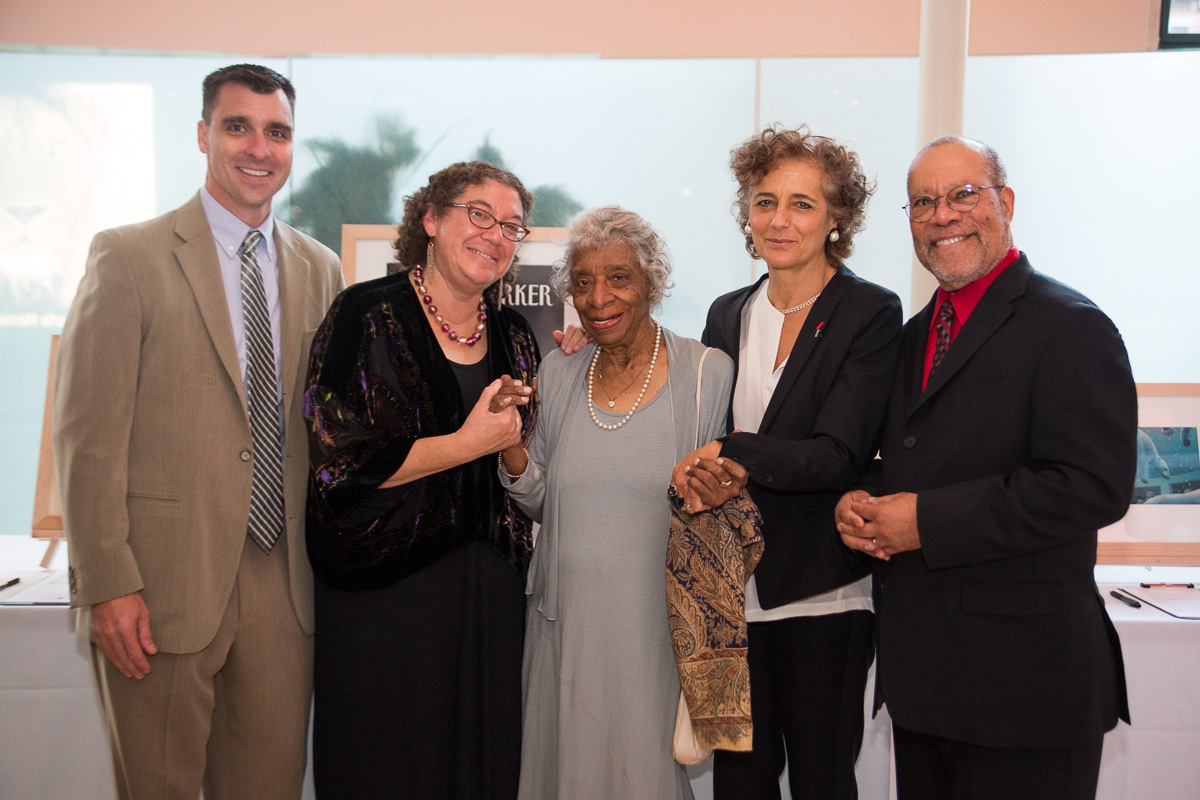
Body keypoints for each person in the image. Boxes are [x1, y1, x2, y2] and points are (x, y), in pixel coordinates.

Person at [53, 64, 343, 800]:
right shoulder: (128, 257)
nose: (259, 147)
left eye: (277, 131)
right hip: (158, 587)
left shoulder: (322, 269)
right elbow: (86, 437)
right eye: (237, 126)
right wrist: (107, 584)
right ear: (203, 135)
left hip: (284, 589)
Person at [835, 135, 1136, 800]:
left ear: (1006, 202)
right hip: (925, 689)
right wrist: (864, 500)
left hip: (1026, 693)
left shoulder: (1071, 326)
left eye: (963, 194)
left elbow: (1092, 486)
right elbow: (918, 459)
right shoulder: (913, 335)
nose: (942, 215)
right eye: (922, 202)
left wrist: (925, 522)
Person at [670, 125, 903, 800]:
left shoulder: (869, 312)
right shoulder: (727, 314)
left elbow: (837, 455)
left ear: (836, 218)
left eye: (802, 203)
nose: (780, 220)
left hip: (821, 593)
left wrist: (734, 453)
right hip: (729, 598)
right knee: (738, 786)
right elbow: (703, 429)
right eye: (765, 201)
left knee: (822, 780)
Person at [305, 161, 541, 800]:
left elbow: (525, 459)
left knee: (481, 768)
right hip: (384, 594)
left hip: (488, 597)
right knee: (386, 767)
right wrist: (466, 444)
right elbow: (339, 462)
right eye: (479, 214)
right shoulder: (364, 313)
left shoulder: (516, 335)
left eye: (512, 226)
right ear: (431, 219)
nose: (495, 234)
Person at [499, 206, 737, 800]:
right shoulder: (559, 371)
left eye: (618, 277)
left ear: (651, 283)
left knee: (643, 771)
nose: (598, 297)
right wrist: (510, 451)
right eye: (583, 281)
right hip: (562, 622)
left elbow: (718, 505)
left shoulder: (706, 373)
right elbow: (540, 502)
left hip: (656, 629)